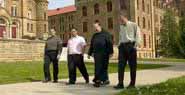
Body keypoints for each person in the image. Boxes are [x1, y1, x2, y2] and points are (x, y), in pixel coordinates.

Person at [114, 13, 141, 89]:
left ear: (126, 18)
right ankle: (120, 83)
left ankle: (132, 84)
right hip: (122, 47)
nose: (120, 21)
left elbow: (138, 35)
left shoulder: (134, 25)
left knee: (132, 66)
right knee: (120, 66)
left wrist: (135, 46)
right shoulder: (121, 26)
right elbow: (120, 36)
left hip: (131, 46)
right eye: (120, 20)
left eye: (121, 19)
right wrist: (119, 45)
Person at [88, 20, 113, 87]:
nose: (95, 28)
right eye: (94, 27)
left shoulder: (106, 34)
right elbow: (92, 45)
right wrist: (89, 53)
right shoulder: (94, 35)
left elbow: (110, 43)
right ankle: (103, 80)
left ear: (99, 25)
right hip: (97, 54)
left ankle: (99, 80)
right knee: (98, 67)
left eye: (96, 27)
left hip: (104, 53)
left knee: (104, 67)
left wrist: (111, 52)